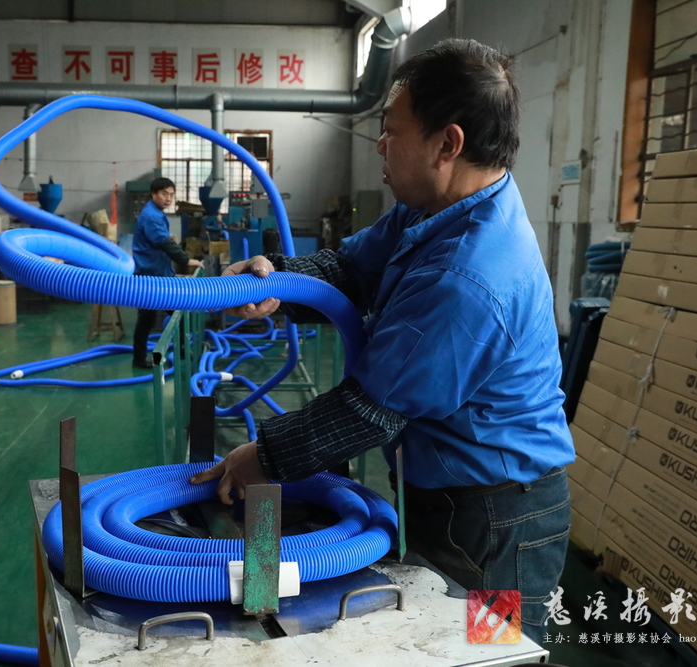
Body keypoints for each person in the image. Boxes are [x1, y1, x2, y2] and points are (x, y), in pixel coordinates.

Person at [190, 39, 575, 641]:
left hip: (497, 520)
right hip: (451, 493)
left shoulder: (468, 278)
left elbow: (368, 411)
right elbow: (350, 269)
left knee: (486, 647)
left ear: (447, 144)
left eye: (392, 131)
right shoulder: (436, 208)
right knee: (440, 638)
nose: (380, 145)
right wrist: (275, 283)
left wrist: (260, 457)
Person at [131, 178, 203, 368]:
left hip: (158, 273)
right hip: (150, 276)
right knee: (152, 318)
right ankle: (141, 359)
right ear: (153, 194)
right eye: (164, 194)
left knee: (172, 314)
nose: (168, 198)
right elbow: (164, 242)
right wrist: (186, 260)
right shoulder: (151, 216)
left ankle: (180, 351)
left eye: (171, 195)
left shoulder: (155, 213)